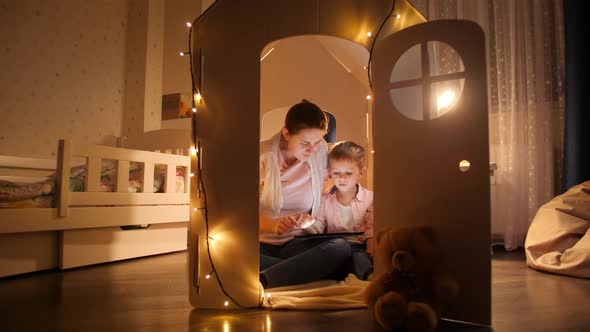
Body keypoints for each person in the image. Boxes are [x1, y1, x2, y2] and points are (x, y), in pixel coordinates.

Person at [259, 99, 351, 289]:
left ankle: (265, 278)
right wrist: (275, 225)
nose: (312, 150)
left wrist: (306, 221)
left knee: (340, 248)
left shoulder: (319, 153)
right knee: (228, 255)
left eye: (318, 142)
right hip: (261, 244)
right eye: (305, 143)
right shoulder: (261, 156)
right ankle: (295, 272)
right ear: (286, 133)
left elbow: (341, 171)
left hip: (297, 244)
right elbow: (240, 213)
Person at [307, 141, 374, 280]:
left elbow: (371, 230)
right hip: (335, 248)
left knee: (359, 259)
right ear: (329, 173)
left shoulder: (370, 199)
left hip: (359, 247)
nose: (342, 178)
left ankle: (367, 276)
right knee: (328, 257)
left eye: (348, 173)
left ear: (361, 172)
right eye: (337, 172)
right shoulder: (324, 200)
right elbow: (318, 225)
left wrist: (371, 248)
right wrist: (307, 226)